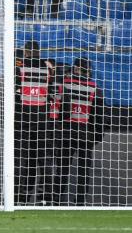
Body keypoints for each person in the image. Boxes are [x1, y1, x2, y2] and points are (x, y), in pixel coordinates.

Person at [51, 58, 104, 206]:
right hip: (85, 134)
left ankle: (56, 199)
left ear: (75, 69)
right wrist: (97, 136)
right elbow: (99, 116)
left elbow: (56, 109)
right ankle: (80, 201)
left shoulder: (64, 85)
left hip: (66, 132)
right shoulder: (95, 89)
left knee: (62, 168)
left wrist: (56, 131)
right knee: (83, 170)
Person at [14, 41, 51, 205]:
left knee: (22, 158)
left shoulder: (19, 67)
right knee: (44, 159)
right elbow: (53, 93)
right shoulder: (48, 68)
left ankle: (20, 197)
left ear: (26, 53)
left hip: (23, 118)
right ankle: (44, 198)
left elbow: (14, 92)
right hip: (43, 118)